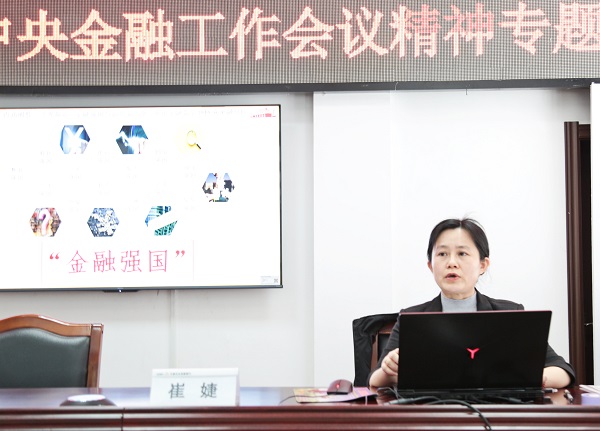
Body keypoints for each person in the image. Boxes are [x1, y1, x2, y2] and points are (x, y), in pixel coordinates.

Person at [368, 218, 575, 389]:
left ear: (483, 265)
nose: (451, 262)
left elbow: (563, 371)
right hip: (434, 414)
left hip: (495, 412)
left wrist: (534, 377)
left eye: (462, 253)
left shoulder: (510, 313)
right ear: (431, 265)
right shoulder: (411, 318)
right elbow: (374, 380)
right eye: (442, 254)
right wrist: (389, 368)